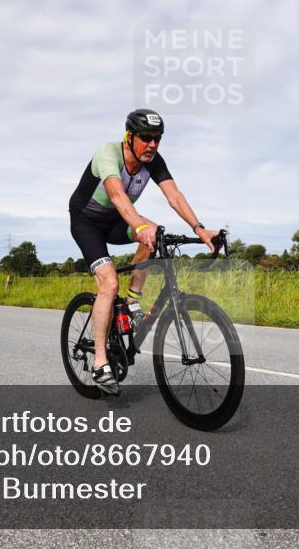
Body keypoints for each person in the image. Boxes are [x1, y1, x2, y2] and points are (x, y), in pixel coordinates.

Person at [68, 109, 219, 394]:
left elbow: (174, 196)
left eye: (157, 139)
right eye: (146, 138)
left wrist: (200, 229)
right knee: (109, 282)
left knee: (156, 233)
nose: (152, 145)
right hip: (86, 222)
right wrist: (139, 226)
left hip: (115, 221)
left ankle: (134, 299)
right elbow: (116, 195)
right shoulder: (108, 153)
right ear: (129, 137)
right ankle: (101, 363)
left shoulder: (153, 162)